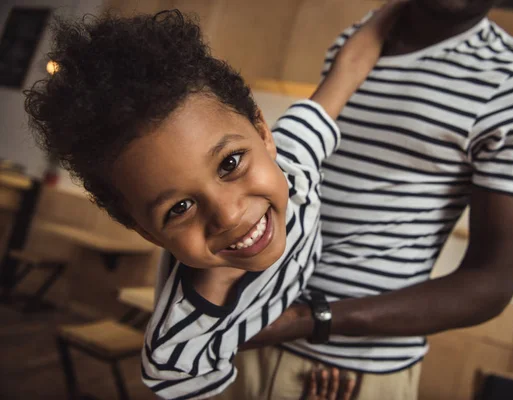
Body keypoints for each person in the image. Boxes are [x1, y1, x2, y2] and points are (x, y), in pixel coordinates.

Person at [24, 3, 405, 399]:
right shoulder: (177, 348)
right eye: (179, 208)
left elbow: (349, 66)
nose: (228, 215)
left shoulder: (297, 159)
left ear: (263, 133)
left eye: (230, 163)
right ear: (146, 232)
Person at [218, 0, 513, 399]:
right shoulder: (359, 40)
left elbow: (491, 285)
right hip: (251, 333)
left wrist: (307, 319)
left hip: (340, 370)